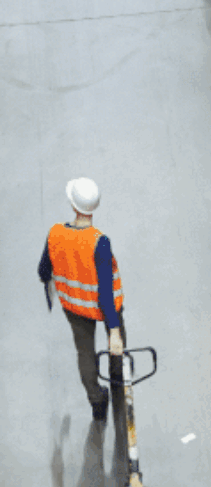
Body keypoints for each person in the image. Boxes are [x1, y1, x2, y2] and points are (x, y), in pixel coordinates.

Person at [38, 178, 126, 422]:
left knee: (84, 353)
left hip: (74, 307)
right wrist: (114, 331)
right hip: (106, 309)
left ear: (73, 205)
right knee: (116, 345)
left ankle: (97, 402)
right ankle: (117, 383)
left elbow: (43, 271)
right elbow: (106, 294)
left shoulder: (55, 233)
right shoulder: (100, 242)